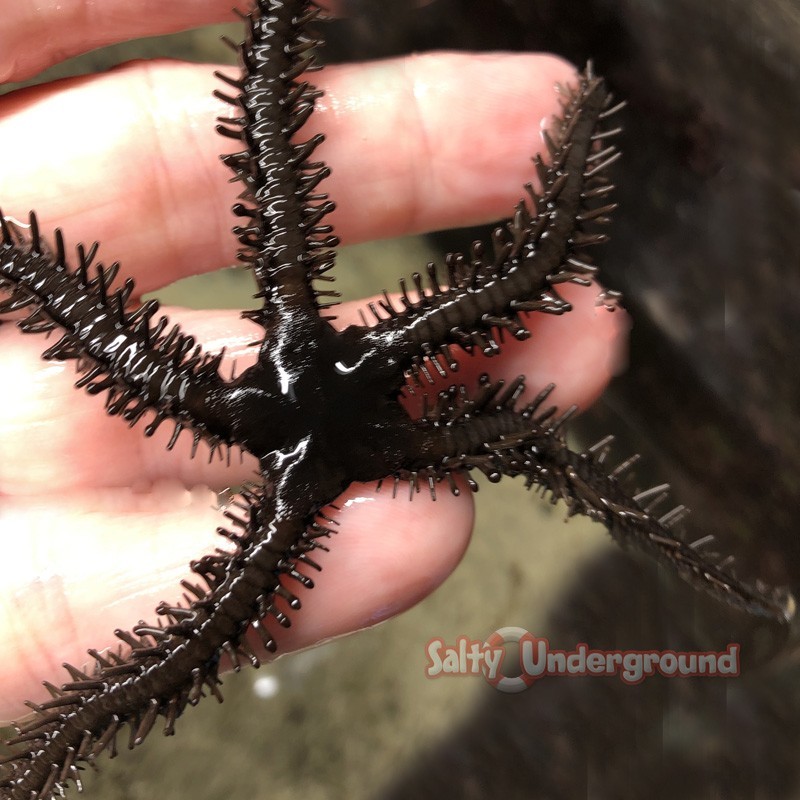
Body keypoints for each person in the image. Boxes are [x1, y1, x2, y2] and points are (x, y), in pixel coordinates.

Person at [0, 0, 627, 723]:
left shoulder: (306, 447)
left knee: (518, 276)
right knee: (521, 276)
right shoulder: (325, 441)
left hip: (335, 441)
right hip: (335, 437)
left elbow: (532, 276)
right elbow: (529, 274)